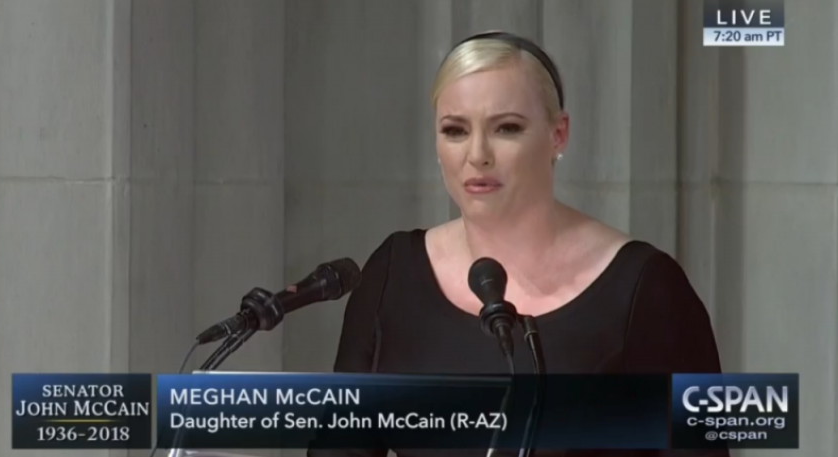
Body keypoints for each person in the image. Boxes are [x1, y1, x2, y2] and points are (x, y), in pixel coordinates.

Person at [308, 32, 727, 457]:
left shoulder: (646, 288)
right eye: (455, 131)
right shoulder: (392, 273)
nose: (478, 154)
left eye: (506, 128)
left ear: (558, 134)